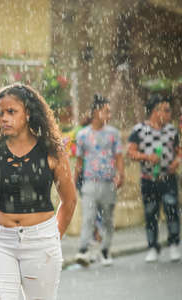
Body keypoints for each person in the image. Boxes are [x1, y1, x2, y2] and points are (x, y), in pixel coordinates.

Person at [0, 83, 77, 300]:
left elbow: (69, 201)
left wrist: (49, 236)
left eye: (11, 112)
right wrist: (2, 228)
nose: (4, 118)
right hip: (0, 242)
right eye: (0, 113)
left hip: (42, 240)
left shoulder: (52, 151)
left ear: (28, 113)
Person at [127, 94, 182, 263]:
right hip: (149, 179)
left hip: (168, 178)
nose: (169, 114)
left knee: (172, 211)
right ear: (155, 111)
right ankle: (152, 247)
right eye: (166, 110)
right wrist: (147, 157)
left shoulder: (172, 130)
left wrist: (176, 161)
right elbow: (131, 152)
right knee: (151, 213)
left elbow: (180, 151)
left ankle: (174, 244)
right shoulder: (139, 130)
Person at [74, 95, 124, 267]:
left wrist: (121, 174)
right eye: (106, 111)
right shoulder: (82, 135)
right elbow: (79, 160)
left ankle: (105, 250)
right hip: (89, 182)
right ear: (96, 112)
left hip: (108, 182)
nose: (109, 114)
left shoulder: (113, 134)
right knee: (88, 217)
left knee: (108, 219)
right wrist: (75, 181)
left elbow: (118, 156)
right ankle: (83, 249)